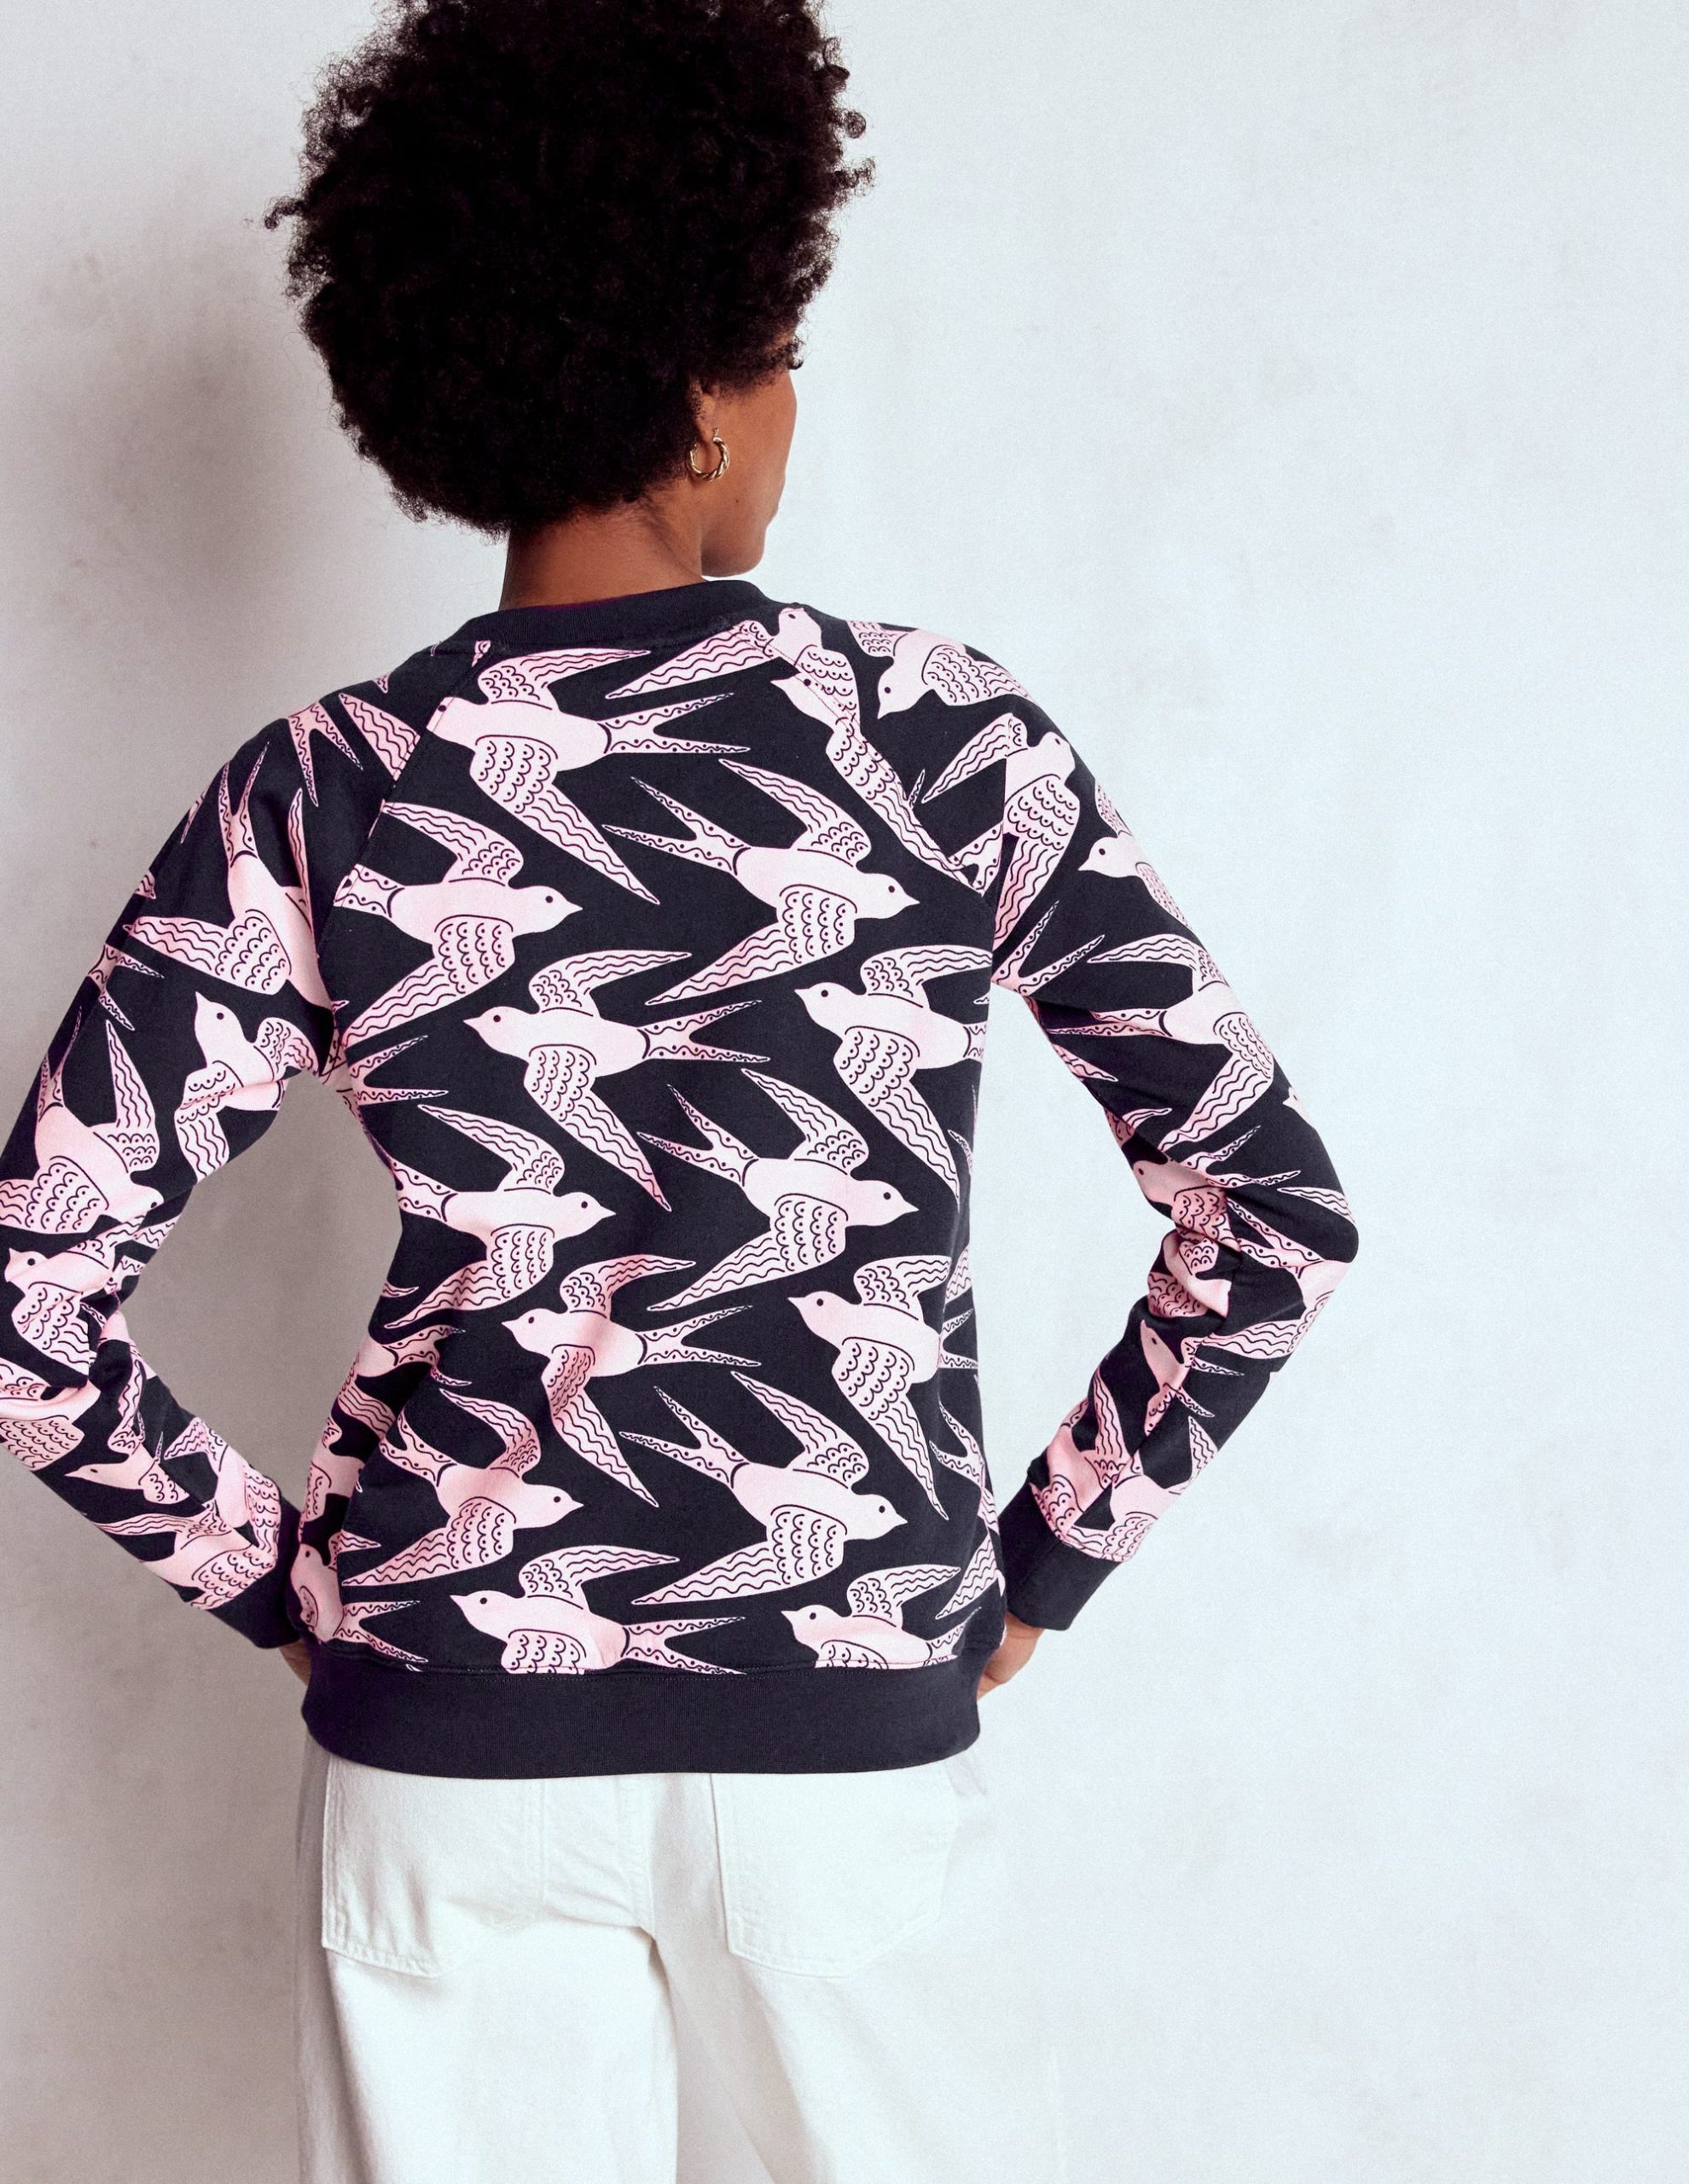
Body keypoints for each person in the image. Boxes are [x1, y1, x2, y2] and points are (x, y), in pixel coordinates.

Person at [0, 3, 1359, 2179]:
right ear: (701, 408)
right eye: (780, 351)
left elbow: (28, 1303)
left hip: (446, 1753)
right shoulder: (940, 742)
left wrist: (304, 1589)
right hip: (844, 1748)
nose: (793, 406)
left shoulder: (324, 792)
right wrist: (1038, 1558)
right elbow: (1270, 1206)